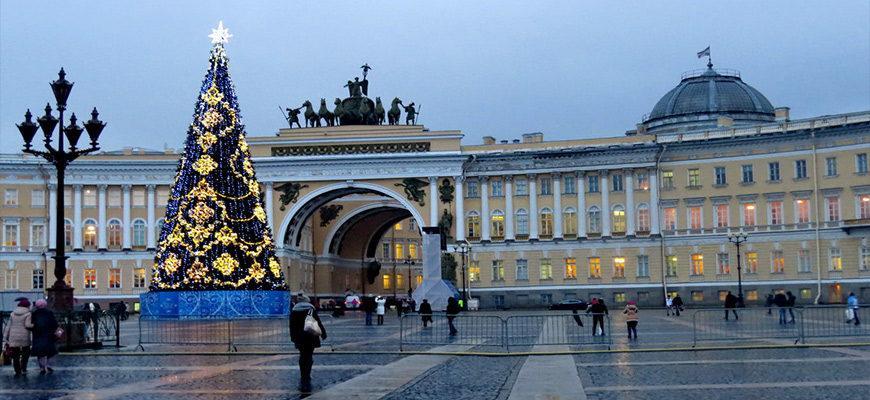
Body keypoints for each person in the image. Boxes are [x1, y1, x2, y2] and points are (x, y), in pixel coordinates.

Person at [290, 295, 327, 393]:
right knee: (309, 356)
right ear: (307, 301)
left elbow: (292, 325)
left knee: (302, 356)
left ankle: (303, 376)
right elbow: (318, 322)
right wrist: (323, 333)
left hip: (299, 338)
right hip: (311, 336)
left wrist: (293, 338)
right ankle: (307, 375)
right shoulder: (310, 309)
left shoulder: (294, 310)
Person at [3, 298, 33, 377]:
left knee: (15, 354)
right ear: (27, 306)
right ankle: (23, 368)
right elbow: (27, 325)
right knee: (25, 353)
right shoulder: (28, 314)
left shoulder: (13, 313)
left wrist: (5, 337)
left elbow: (8, 326)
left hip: (13, 336)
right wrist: (34, 325)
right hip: (24, 336)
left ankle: (17, 370)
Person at [30, 299, 58, 375]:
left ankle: (42, 367)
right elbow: (55, 324)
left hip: (38, 335)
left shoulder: (34, 313)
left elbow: (31, 325)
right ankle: (49, 365)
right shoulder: (49, 313)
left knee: (40, 353)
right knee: (51, 352)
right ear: (45, 305)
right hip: (49, 335)